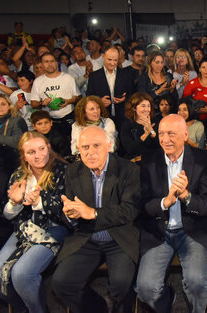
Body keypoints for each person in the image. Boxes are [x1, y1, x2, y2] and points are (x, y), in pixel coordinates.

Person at [52, 126, 140, 313]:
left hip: (118, 238)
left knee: (121, 283)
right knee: (61, 283)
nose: (90, 152)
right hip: (86, 237)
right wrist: (70, 215)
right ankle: (99, 308)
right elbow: (69, 210)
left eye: (96, 146)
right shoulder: (73, 171)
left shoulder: (129, 170)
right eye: (85, 147)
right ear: (78, 150)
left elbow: (129, 210)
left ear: (109, 145)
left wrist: (93, 213)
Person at [137, 114, 207, 313]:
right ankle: (167, 300)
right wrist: (166, 201)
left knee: (197, 284)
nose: (165, 139)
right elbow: (142, 206)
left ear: (185, 135)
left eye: (171, 133)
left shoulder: (203, 159)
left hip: (193, 230)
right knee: (145, 290)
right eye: (161, 133)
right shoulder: (149, 160)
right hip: (158, 232)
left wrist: (186, 196)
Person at [0, 131, 68, 313]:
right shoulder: (18, 175)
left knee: (22, 274)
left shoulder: (63, 171)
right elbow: (7, 215)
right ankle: (24, 308)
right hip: (24, 229)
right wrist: (15, 202)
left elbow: (66, 212)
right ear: (24, 155)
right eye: (31, 152)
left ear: (48, 148)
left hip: (55, 228)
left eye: (41, 149)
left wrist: (39, 202)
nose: (38, 156)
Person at [30, 52, 81, 136]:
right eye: (46, 62)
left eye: (52, 61)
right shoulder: (38, 81)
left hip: (69, 118)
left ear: (56, 62)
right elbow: (33, 104)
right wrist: (42, 103)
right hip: (49, 122)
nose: (50, 64)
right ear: (41, 64)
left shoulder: (68, 78)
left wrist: (68, 101)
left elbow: (79, 97)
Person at [86, 46, 135, 130]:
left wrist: (124, 99)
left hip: (123, 116)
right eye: (109, 59)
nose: (112, 63)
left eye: (115, 60)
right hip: (102, 117)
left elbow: (132, 94)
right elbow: (89, 97)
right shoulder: (94, 76)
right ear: (103, 56)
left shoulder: (126, 75)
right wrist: (99, 102)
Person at [120, 92, 158, 161]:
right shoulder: (127, 125)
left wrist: (151, 130)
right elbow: (130, 149)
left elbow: (159, 145)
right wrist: (145, 134)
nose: (146, 109)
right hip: (133, 161)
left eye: (148, 106)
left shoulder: (155, 121)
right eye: (143, 106)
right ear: (134, 108)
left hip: (152, 161)